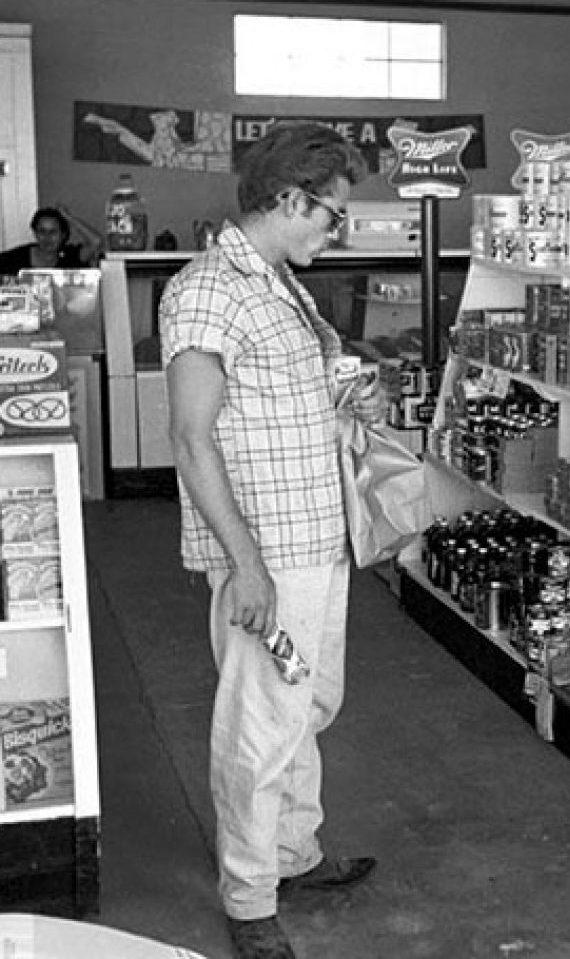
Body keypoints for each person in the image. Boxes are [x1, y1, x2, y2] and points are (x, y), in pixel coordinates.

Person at [158, 121, 379, 959]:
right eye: (330, 214)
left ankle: (292, 852)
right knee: (261, 720)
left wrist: (343, 408)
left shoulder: (279, 283)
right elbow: (191, 438)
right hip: (270, 551)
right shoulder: (209, 290)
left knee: (305, 709)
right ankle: (250, 897)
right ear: (288, 199)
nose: (337, 230)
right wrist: (245, 565)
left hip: (316, 537)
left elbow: (275, 408)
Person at [0, 206, 102, 275]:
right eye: (42, 231)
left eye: (53, 232)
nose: (47, 237)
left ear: (63, 235)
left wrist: (69, 218)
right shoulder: (16, 257)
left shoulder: (70, 255)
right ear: (35, 233)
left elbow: (95, 241)